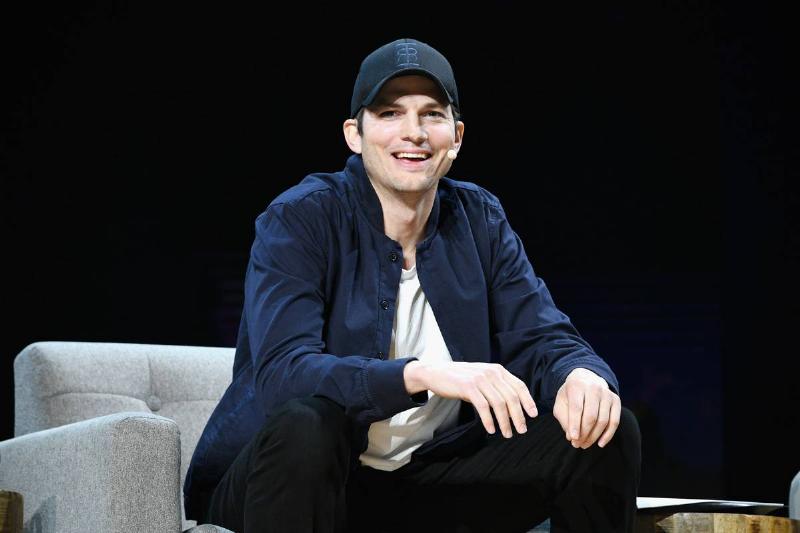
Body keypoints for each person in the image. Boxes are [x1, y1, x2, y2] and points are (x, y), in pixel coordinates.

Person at [183, 37, 641, 533]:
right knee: (307, 426)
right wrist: (422, 375)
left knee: (605, 430)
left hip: (423, 481)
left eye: (432, 114)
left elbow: (541, 334)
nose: (414, 132)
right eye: (389, 113)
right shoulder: (300, 219)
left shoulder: (479, 219)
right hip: (292, 479)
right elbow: (284, 375)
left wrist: (580, 374)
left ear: (456, 136)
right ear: (354, 134)